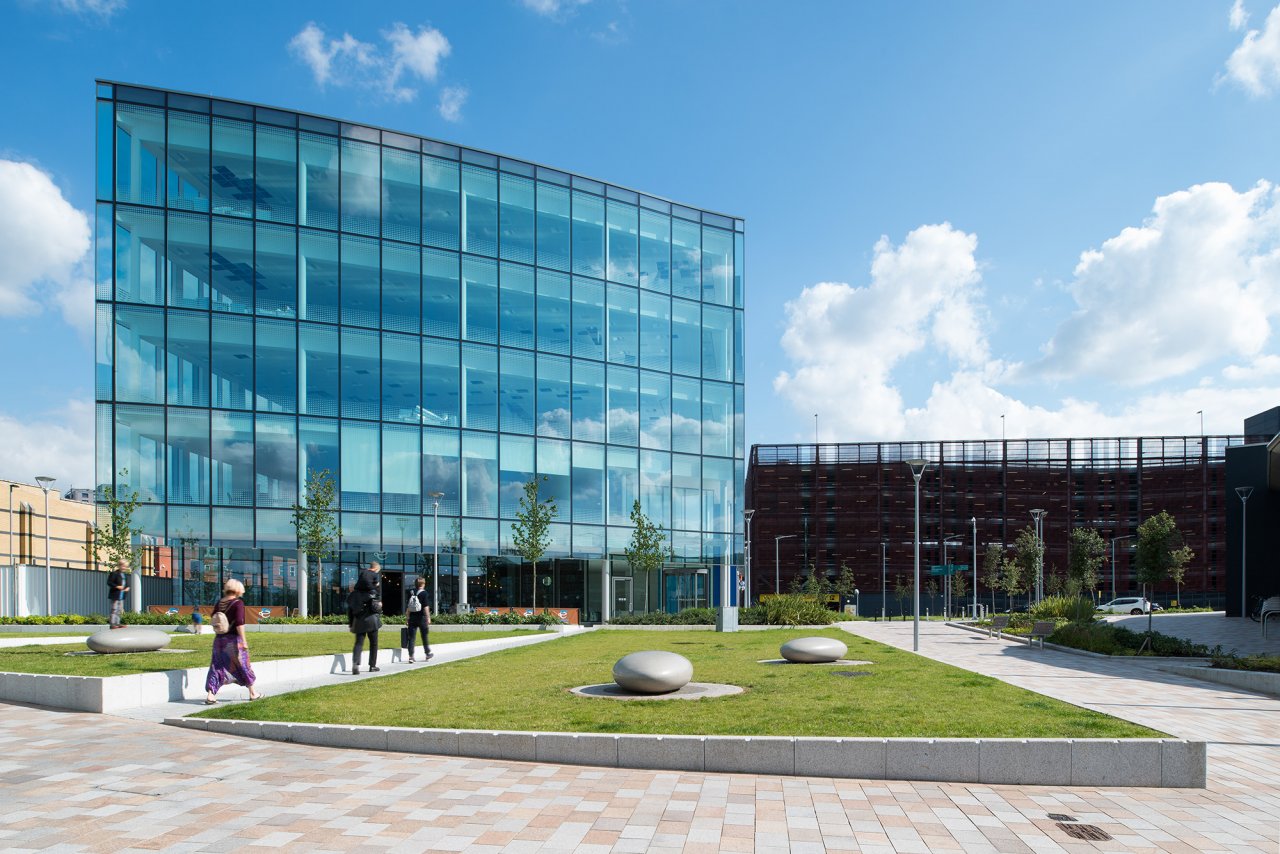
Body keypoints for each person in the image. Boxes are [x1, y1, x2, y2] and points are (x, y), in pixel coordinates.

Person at [204, 579, 262, 704]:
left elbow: (214, 619)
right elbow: (240, 623)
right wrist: (244, 641)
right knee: (243, 665)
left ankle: (210, 695)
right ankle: (253, 693)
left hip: (219, 640)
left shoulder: (220, 603)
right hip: (233, 640)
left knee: (216, 666)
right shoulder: (238, 603)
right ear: (238, 590)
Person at [348, 560, 383, 675]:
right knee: (373, 643)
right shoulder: (373, 593)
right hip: (372, 621)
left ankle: (355, 664)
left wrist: (350, 624)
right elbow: (377, 608)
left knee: (358, 643)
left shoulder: (353, 595)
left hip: (358, 622)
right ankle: (372, 666)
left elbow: (350, 611)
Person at [405, 577, 433, 663]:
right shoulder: (424, 593)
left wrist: (407, 618)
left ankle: (411, 657)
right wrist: (428, 617)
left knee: (411, 638)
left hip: (412, 618)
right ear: (423, 584)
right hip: (422, 618)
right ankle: (427, 653)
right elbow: (426, 607)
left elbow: (408, 607)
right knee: (424, 636)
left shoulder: (411, 592)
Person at [106, 558, 130, 629]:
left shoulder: (124, 575)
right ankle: (112, 624)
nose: (124, 568)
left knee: (120, 610)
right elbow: (109, 583)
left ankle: (118, 623)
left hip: (122, 595)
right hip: (115, 595)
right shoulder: (114, 574)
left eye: (126, 566)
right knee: (114, 609)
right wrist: (117, 586)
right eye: (123, 566)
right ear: (119, 566)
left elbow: (126, 584)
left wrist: (127, 587)